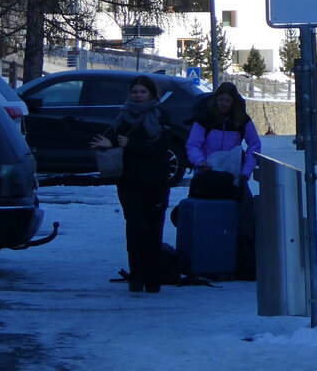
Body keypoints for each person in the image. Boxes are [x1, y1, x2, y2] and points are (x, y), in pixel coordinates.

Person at [89, 74, 172, 293]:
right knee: (135, 228)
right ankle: (136, 277)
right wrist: (109, 144)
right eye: (135, 92)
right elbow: (118, 141)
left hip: (155, 181)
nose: (138, 96)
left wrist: (131, 144)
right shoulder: (124, 115)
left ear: (151, 94)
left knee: (153, 230)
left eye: (143, 92)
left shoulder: (161, 116)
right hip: (129, 181)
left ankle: (153, 280)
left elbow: (162, 149)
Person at [185, 81, 262, 192]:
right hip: (207, 172)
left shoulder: (242, 119)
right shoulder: (205, 117)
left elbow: (254, 144)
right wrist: (200, 161)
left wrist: (246, 171)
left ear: (233, 102)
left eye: (227, 101)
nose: (223, 104)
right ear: (216, 99)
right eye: (221, 100)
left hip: (232, 175)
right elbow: (193, 144)